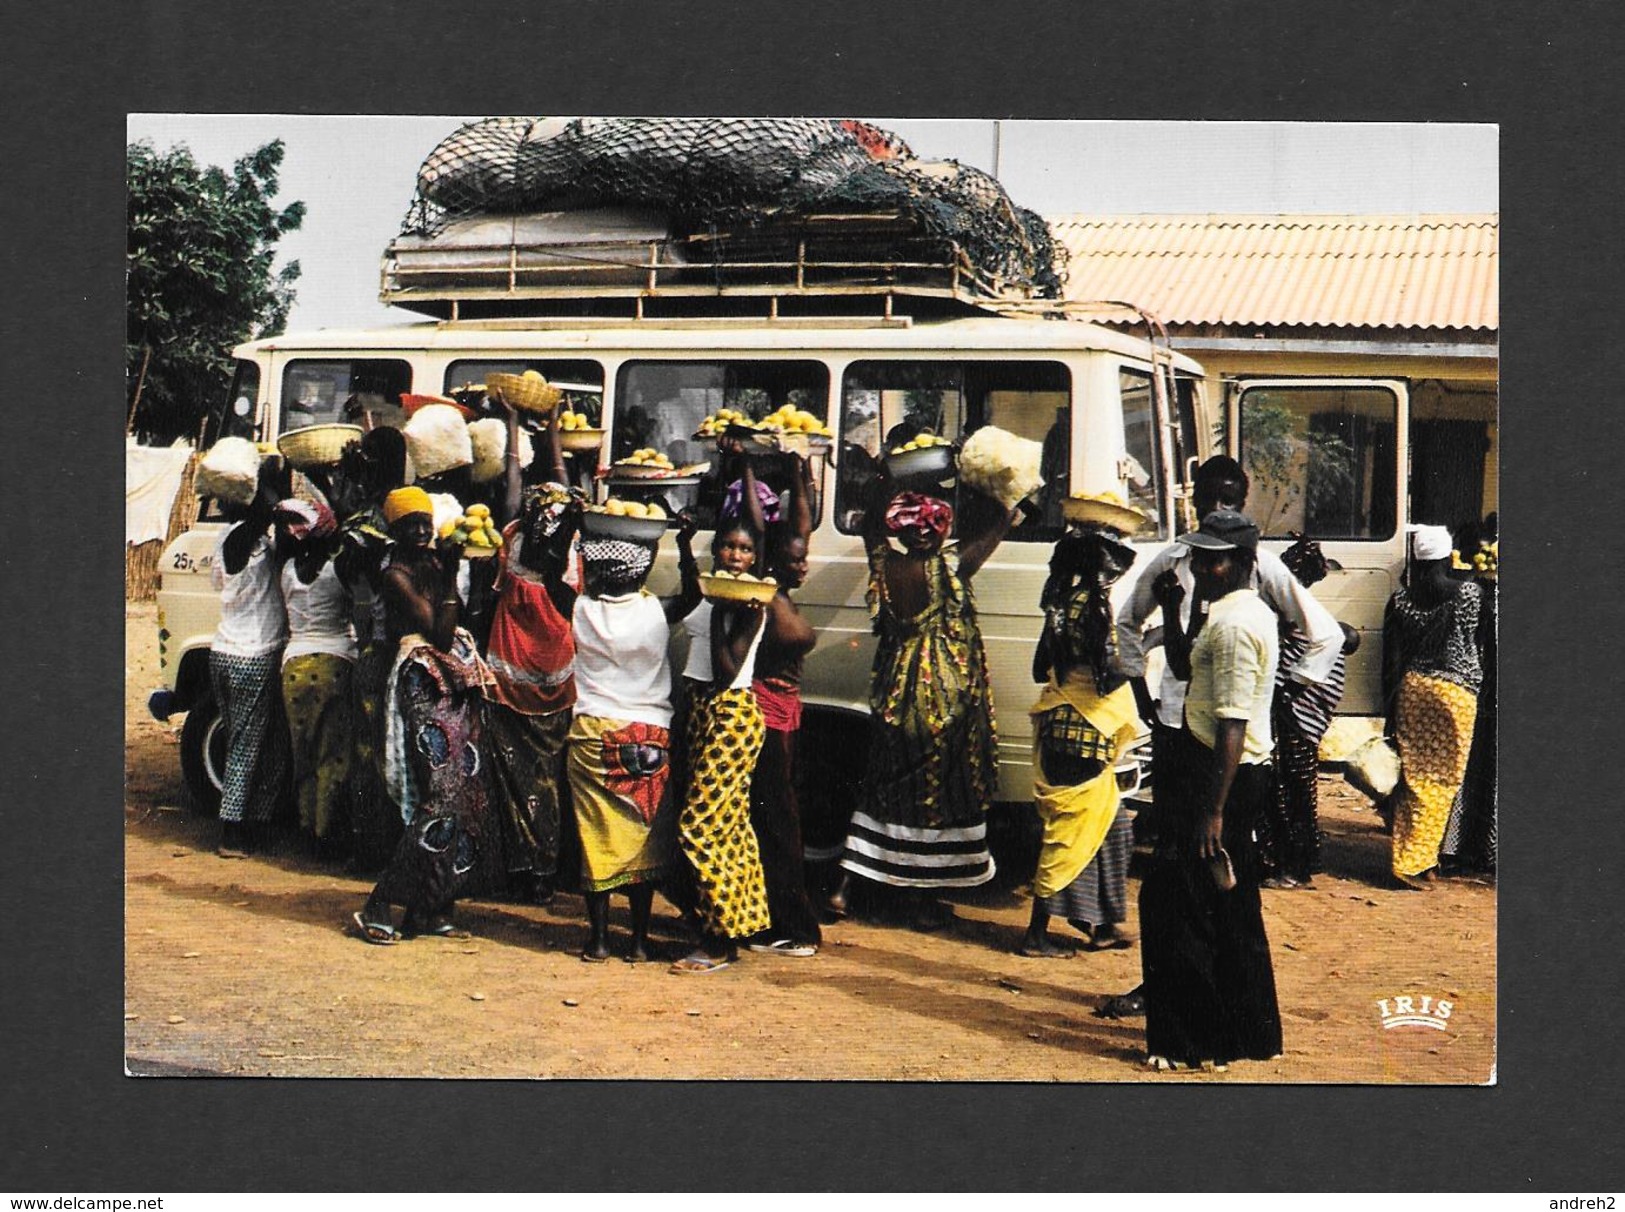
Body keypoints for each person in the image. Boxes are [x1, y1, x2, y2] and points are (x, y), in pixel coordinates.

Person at [1097, 455, 1340, 1019]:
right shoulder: (1177, 560)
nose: (1218, 510)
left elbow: (1323, 634)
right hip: (1180, 729)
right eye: (1210, 499)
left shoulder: (1259, 568)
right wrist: (1142, 698)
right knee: (1177, 875)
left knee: (1217, 873)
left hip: (1229, 745)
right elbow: (1131, 624)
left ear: (1243, 502)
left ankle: (1213, 1001)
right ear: (1195, 498)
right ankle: (1171, 989)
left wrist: (1283, 694)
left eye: (1229, 501)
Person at [830, 471, 1016, 932]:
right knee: (932, 792)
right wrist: (1009, 512)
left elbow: (874, 530)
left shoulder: (885, 565)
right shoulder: (944, 568)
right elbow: (988, 542)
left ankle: (845, 888)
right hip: (938, 695)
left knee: (884, 787)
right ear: (938, 533)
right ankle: (917, 900)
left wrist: (888, 485)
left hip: (896, 686)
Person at [1137, 508, 1283, 1070]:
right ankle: (1245, 1034)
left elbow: (1231, 725)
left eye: (1213, 557)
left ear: (1244, 562)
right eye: (1198, 554)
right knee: (1227, 903)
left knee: (1177, 903)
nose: (1202, 564)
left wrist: (1213, 811)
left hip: (1219, 773)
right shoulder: (1227, 613)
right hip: (1225, 771)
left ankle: (1190, 1044)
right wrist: (1173, 609)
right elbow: (1179, 663)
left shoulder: (1235, 625)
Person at [351, 487, 497, 944]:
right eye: (408, 524)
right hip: (422, 683)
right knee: (437, 796)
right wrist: (453, 576)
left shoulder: (434, 563)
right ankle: (382, 902)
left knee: (465, 796)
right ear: (392, 532)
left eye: (424, 522)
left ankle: (430, 907)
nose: (419, 531)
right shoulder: (395, 575)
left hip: (450, 686)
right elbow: (437, 630)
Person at [569, 510, 701, 963]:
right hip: (649, 737)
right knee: (644, 841)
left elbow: (548, 575)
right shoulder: (657, 611)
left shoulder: (579, 608)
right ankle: (641, 942)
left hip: (592, 736)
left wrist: (574, 525)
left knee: (598, 838)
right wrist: (683, 543)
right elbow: (693, 594)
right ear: (641, 567)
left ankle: (600, 940)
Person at [1019, 504, 1143, 958]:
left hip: (1060, 721)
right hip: (1086, 732)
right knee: (1067, 837)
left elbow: (1039, 668)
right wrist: (1148, 641)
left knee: (1110, 830)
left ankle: (1101, 924)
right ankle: (1035, 935)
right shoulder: (1095, 609)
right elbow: (1112, 674)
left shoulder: (1059, 603)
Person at [672, 447, 776, 974]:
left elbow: (727, 668)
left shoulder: (751, 606)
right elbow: (691, 593)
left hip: (731, 713)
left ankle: (718, 942)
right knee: (727, 826)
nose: (735, 557)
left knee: (703, 826)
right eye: (728, 548)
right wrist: (688, 548)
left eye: (743, 550)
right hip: (698, 708)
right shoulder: (712, 592)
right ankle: (729, 924)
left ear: (754, 559)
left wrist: (724, 610)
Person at [482, 399, 579, 904]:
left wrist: (524, 429)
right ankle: (542, 870)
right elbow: (534, 483)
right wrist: (545, 431)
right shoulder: (557, 558)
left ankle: (528, 867)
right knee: (543, 778)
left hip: (516, 682)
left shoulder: (526, 547)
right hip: (547, 684)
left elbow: (521, 487)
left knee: (521, 779)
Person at [745, 453, 824, 957]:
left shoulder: (784, 590)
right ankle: (791, 927)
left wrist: (798, 474)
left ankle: (791, 923)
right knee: (776, 821)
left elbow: (800, 525)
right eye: (795, 560)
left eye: (804, 557)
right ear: (772, 561)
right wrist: (747, 474)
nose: (804, 564)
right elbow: (764, 529)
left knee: (781, 819)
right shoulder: (764, 592)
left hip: (784, 713)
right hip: (765, 715)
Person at [1382, 523, 1486, 890]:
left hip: (1414, 689)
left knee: (1414, 778)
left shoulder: (1401, 599)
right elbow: (1475, 637)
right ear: (1446, 556)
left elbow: (1392, 658)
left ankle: (1418, 858)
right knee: (1443, 780)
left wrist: (1388, 709)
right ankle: (1413, 862)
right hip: (1454, 693)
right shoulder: (1468, 593)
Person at [1258, 536, 1359, 889]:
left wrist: (1286, 695)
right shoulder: (1296, 610)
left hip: (1298, 717)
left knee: (1292, 792)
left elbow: (1329, 652)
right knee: (1290, 791)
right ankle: (1287, 861)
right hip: (1299, 715)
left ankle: (1295, 867)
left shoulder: (1299, 615)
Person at [330, 426, 409, 871]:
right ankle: (382, 846)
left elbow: (346, 568)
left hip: (373, 650)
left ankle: (366, 847)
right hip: (394, 652)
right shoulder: (402, 511)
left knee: (369, 751)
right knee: (389, 753)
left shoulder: (370, 515)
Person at [208, 457, 291, 858]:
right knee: (246, 745)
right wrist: (272, 479)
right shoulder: (243, 538)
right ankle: (232, 832)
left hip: (227, 651)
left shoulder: (234, 540)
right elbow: (268, 511)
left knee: (268, 742)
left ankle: (255, 822)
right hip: (250, 655)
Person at [273, 497, 355, 860]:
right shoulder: (338, 568)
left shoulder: (288, 568)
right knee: (332, 755)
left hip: (294, 668)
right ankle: (327, 835)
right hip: (334, 664)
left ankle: (307, 828)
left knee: (302, 752)